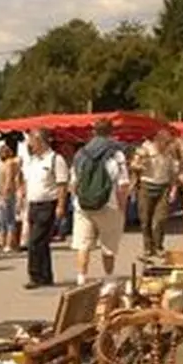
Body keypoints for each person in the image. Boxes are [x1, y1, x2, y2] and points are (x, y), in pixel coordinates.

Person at [71, 118, 130, 288]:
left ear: (93, 132)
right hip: (109, 204)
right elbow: (123, 184)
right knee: (108, 245)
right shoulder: (116, 154)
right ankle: (108, 278)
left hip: (83, 207)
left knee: (83, 244)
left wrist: (79, 199)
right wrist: (122, 207)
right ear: (111, 132)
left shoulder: (81, 153)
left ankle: (81, 278)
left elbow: (73, 183)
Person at [21, 128, 69, 289]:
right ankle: (45, 275)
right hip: (33, 204)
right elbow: (28, 182)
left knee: (34, 241)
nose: (30, 146)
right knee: (41, 243)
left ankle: (34, 275)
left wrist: (61, 206)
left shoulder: (55, 159)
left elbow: (62, 184)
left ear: (41, 142)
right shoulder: (33, 161)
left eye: (32, 142)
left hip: (48, 204)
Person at [129, 129, 179, 261]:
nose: (167, 146)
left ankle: (158, 246)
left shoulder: (169, 154)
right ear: (158, 141)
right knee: (145, 220)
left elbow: (173, 174)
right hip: (146, 186)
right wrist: (140, 165)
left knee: (160, 219)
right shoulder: (145, 149)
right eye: (165, 143)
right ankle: (147, 248)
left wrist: (173, 190)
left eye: (169, 143)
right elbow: (134, 165)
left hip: (163, 187)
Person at [0, 142, 23, 253]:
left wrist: (5, 194)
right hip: (3, 193)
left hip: (8, 194)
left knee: (9, 219)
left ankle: (9, 243)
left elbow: (9, 179)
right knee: (4, 220)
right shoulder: (4, 164)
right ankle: (7, 243)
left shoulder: (10, 164)